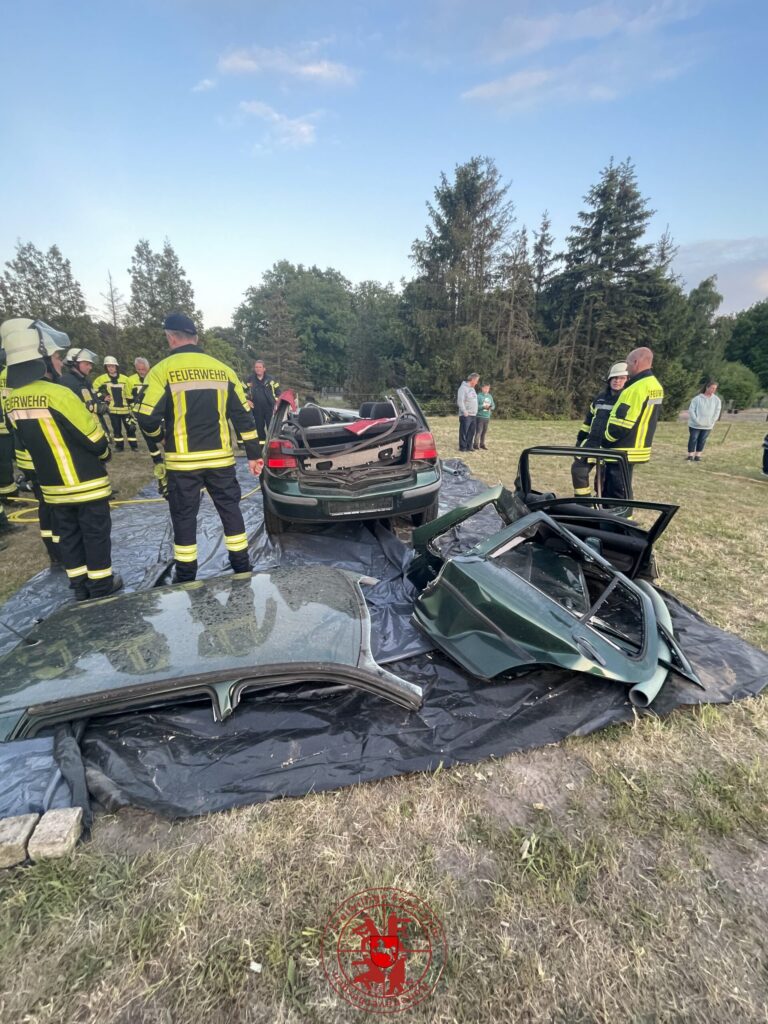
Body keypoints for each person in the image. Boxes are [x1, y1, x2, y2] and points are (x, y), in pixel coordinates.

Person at [135, 312, 263, 583]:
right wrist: (253, 454)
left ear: (170, 338)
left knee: (184, 518)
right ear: (196, 338)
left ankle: (186, 577)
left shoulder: (161, 371)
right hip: (220, 460)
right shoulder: (223, 370)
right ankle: (242, 567)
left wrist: (161, 436)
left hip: (183, 463)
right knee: (231, 511)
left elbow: (146, 416)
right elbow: (244, 417)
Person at [3, 320, 121, 599]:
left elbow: (19, 436)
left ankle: (79, 586)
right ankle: (102, 586)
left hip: (52, 486)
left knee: (68, 536)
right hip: (85, 482)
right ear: (41, 360)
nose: (59, 362)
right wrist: (105, 452)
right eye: (56, 357)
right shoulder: (59, 395)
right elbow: (93, 438)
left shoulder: (11, 401)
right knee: (95, 534)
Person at [602, 347, 664, 501]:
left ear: (636, 362)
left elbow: (620, 425)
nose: (627, 367)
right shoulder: (654, 385)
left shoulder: (635, 389)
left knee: (616, 494)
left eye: (628, 363)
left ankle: (619, 523)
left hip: (622, 449)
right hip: (638, 447)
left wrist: (605, 440)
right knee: (624, 490)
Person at [571, 361, 629, 496]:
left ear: (627, 381)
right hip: (591, 443)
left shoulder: (626, 400)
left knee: (603, 481)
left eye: (621, 378)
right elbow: (588, 421)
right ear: (609, 380)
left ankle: (600, 505)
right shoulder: (600, 399)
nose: (617, 381)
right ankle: (584, 503)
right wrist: (580, 440)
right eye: (614, 378)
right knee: (578, 470)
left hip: (610, 446)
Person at [93, 357, 137, 452]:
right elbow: (94, 389)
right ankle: (119, 447)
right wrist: (103, 397)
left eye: (112, 366)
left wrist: (132, 406)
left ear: (116, 367)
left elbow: (132, 392)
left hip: (125, 410)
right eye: (108, 366)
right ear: (106, 368)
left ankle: (134, 446)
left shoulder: (125, 379)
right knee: (117, 430)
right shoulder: (101, 379)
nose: (111, 368)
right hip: (112, 410)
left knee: (130, 429)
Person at [126, 357, 163, 465]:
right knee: (149, 439)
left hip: (157, 413)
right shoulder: (131, 381)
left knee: (166, 436)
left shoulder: (156, 378)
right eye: (139, 369)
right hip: (142, 415)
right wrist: (134, 414)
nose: (141, 372)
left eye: (143, 369)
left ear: (148, 368)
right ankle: (157, 461)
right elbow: (129, 399)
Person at [246, 359, 281, 445]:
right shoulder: (249, 379)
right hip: (256, 409)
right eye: (256, 367)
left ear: (264, 369)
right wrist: (247, 400)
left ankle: (271, 446)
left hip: (269, 408)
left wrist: (275, 403)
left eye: (260, 367)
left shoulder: (271, 379)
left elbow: (279, 393)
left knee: (271, 428)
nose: (258, 369)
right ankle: (261, 449)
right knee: (259, 429)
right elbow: (240, 391)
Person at [686, 380, 721, 462]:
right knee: (693, 438)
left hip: (708, 425)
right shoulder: (697, 399)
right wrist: (696, 420)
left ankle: (698, 455)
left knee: (702, 440)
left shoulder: (717, 400)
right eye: (712, 388)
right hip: (695, 425)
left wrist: (713, 420)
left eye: (715, 388)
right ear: (707, 387)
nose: (713, 390)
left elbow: (717, 411)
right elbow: (691, 410)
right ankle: (690, 455)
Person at [457, 373, 480, 452]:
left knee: (471, 432)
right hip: (466, 415)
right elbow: (460, 401)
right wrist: (464, 411)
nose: (477, 382)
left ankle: (469, 446)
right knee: (464, 432)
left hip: (473, 414)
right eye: (476, 381)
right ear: (472, 380)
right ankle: (463, 447)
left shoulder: (472, 389)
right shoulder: (463, 388)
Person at [473, 383, 496, 450]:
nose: (486, 390)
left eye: (488, 388)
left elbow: (493, 405)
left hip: (487, 417)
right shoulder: (478, 396)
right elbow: (475, 406)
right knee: (479, 431)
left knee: (484, 432)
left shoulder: (490, 396)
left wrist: (491, 408)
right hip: (480, 416)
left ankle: (482, 444)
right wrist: (483, 406)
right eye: (485, 388)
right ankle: (475, 444)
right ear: (482, 388)